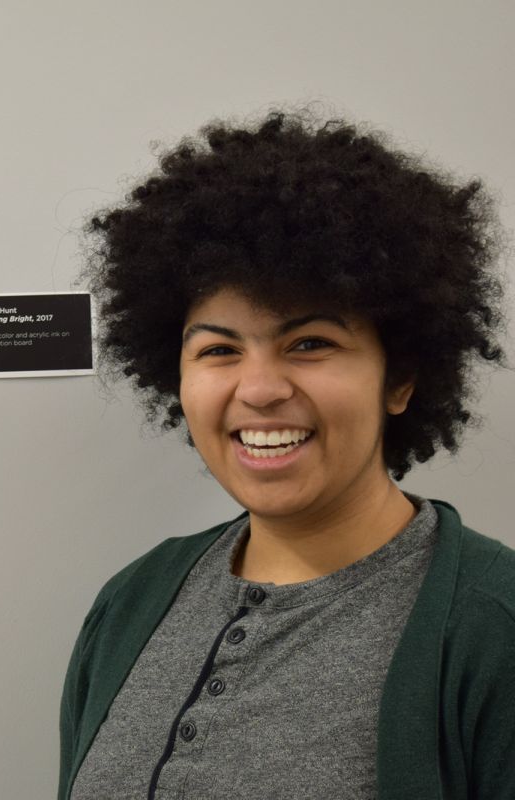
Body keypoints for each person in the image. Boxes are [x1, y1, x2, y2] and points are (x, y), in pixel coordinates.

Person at [60, 111, 513, 800]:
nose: (262, 389)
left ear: (400, 378)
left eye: (310, 344)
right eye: (218, 349)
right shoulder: (131, 600)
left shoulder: (492, 626)